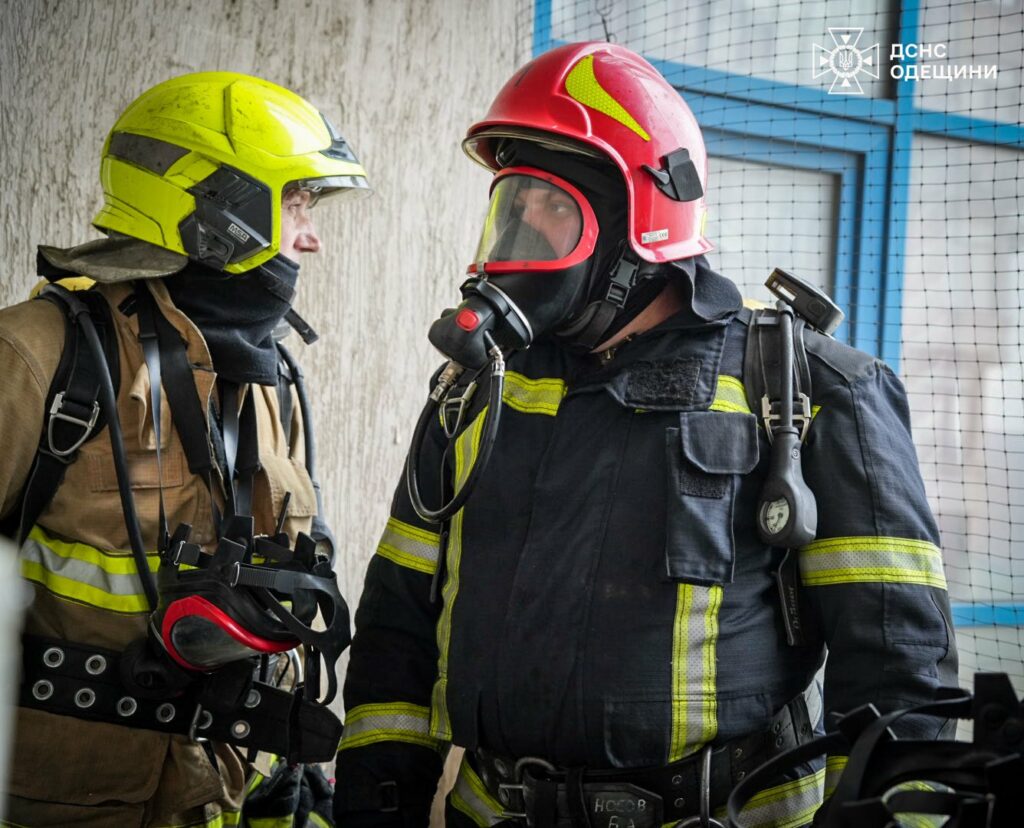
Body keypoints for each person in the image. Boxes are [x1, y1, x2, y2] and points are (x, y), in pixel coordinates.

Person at [333, 42, 958, 828]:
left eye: (552, 204)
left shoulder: (814, 389)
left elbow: (899, 668)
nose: (522, 227)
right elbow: (397, 622)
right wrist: (377, 803)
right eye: (512, 201)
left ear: (640, 222)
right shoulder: (476, 387)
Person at [0, 71, 369, 827]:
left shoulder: (268, 381)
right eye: (297, 203)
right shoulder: (36, 359)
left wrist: (285, 772)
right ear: (222, 213)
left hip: (228, 794)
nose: (312, 237)